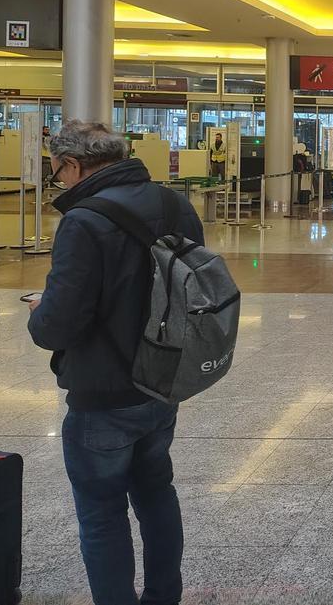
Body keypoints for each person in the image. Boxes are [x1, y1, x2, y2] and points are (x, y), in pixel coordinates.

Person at [27, 120, 203, 605]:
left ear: (74, 165)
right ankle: (164, 596)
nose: (58, 180)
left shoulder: (82, 221)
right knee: (156, 494)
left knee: (102, 513)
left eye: (57, 170)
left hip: (103, 393)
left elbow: (58, 327)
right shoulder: (175, 204)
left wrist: (39, 313)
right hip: (163, 378)